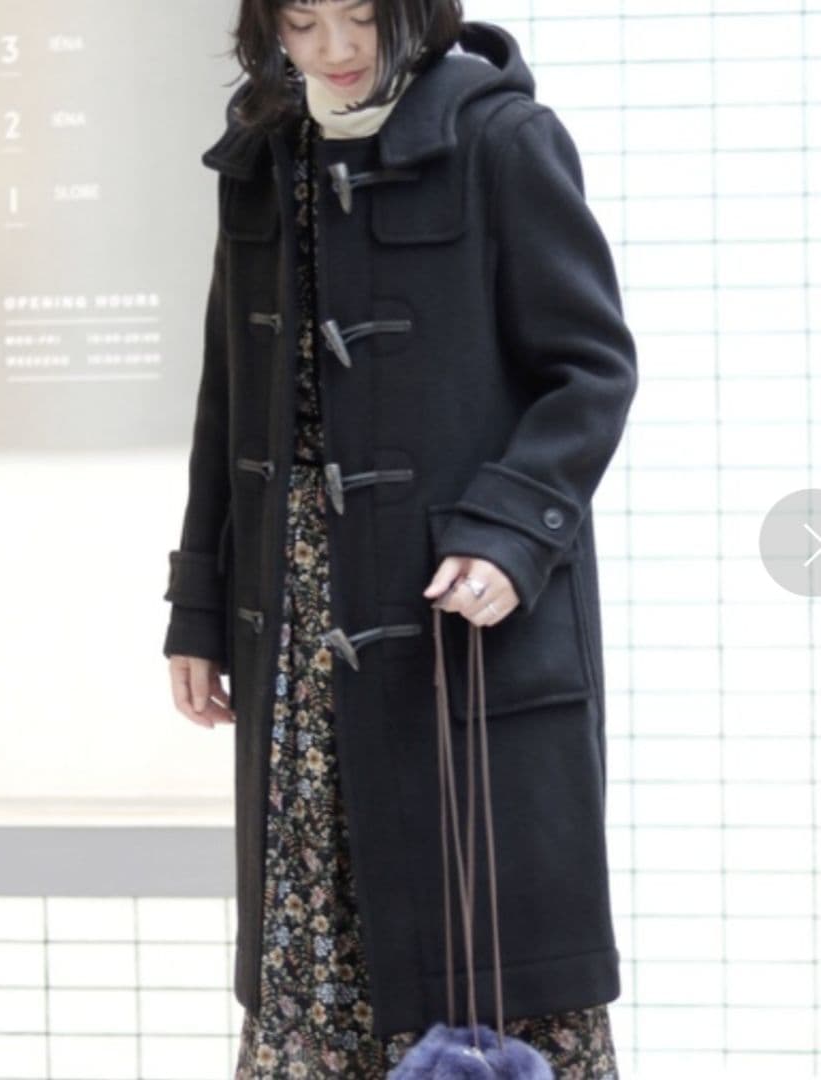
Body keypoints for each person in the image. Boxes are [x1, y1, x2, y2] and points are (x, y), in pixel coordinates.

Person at [163, 1, 637, 1076]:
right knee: (311, 935)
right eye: (299, 21)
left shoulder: (500, 137)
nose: (332, 50)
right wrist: (198, 604)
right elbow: (226, 396)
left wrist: (510, 531)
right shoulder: (264, 154)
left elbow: (590, 368)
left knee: (488, 949)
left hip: (455, 602)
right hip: (292, 605)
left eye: (360, 18)